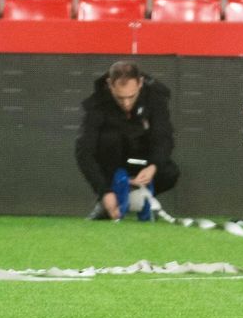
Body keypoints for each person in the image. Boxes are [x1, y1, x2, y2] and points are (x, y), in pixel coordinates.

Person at [75, 60, 179, 219]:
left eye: (131, 97)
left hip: (142, 161)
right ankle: (110, 200)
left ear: (140, 84)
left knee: (169, 172)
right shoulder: (96, 104)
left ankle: (134, 197)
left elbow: (164, 138)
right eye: (120, 97)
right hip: (112, 164)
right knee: (110, 138)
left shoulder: (156, 99)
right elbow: (84, 152)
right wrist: (104, 192)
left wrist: (153, 166)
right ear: (110, 84)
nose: (126, 103)